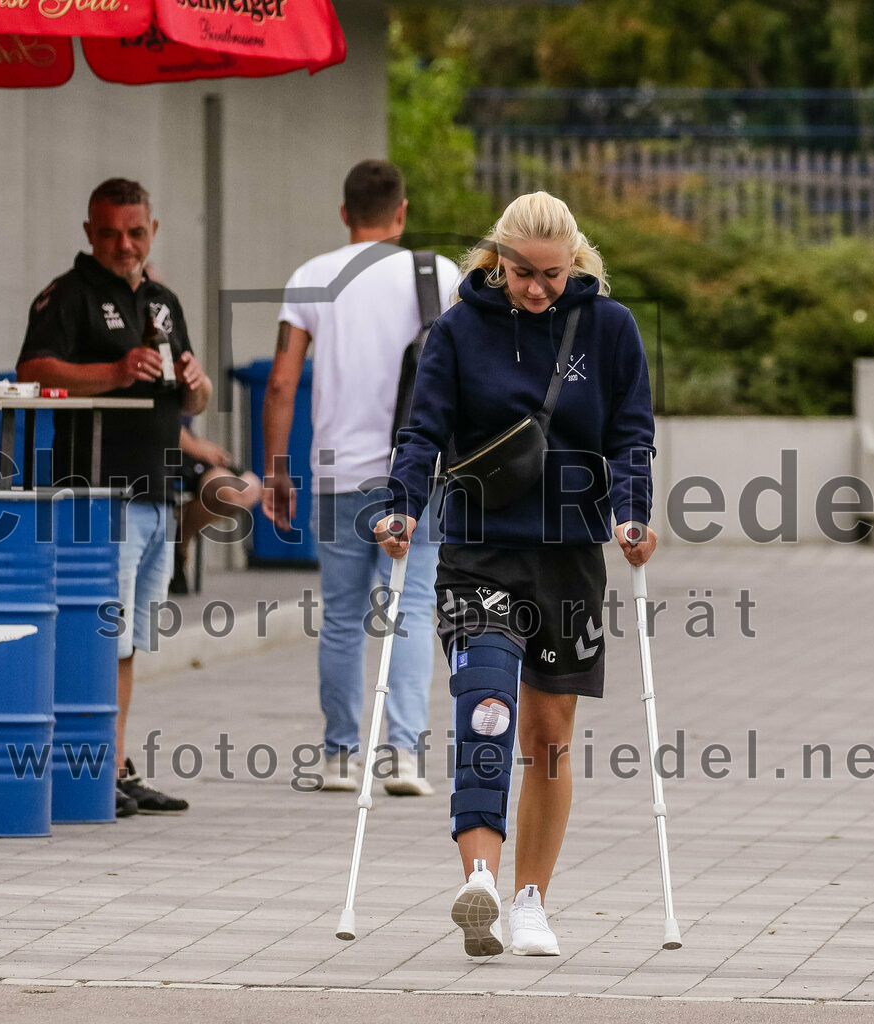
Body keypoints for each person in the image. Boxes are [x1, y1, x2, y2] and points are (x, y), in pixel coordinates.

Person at [374, 191, 657, 957]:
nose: (535, 288)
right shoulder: (459, 329)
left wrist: (632, 514)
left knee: (549, 736)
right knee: (486, 709)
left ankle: (531, 898)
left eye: (552, 275)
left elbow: (631, 435)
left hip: (568, 554)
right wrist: (399, 505)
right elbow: (422, 428)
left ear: (575, 263)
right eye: (521, 272)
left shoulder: (610, 328)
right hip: (478, 547)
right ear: (495, 259)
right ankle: (481, 884)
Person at [262, 159, 460, 795]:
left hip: (337, 474)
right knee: (412, 607)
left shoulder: (311, 277)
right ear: (401, 212)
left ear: (345, 213)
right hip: (419, 472)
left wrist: (275, 471)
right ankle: (402, 755)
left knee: (343, 617)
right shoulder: (441, 277)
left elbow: (281, 383)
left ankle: (341, 757)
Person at [16, 177, 212, 819]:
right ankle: (88, 765)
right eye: (109, 233)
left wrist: (197, 383)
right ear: (89, 233)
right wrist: (115, 372)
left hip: (160, 494)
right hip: (99, 498)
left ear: (152, 231)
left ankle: (114, 763)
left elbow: (196, 398)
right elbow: (33, 369)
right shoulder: (68, 294)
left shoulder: (163, 300)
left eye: (134, 232)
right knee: (100, 635)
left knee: (129, 641)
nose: (123, 244)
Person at [169, 420, 262, 595]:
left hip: (188, 445)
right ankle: (175, 547)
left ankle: (180, 541)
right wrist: (195, 446)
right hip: (158, 445)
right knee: (227, 492)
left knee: (249, 488)